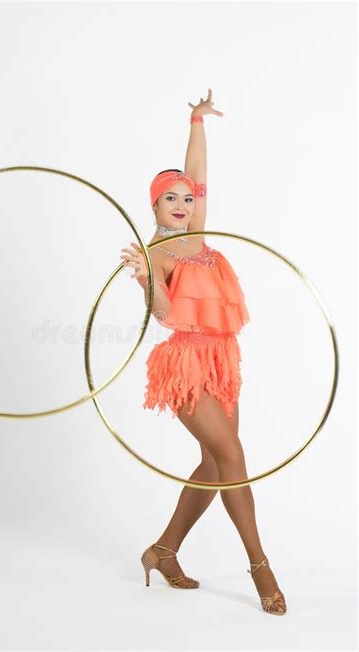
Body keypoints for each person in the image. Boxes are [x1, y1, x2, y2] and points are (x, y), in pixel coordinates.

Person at [119, 90, 287, 615]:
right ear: (154, 205)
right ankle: (261, 567)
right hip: (186, 361)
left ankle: (162, 551)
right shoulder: (160, 250)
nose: (184, 203)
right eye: (172, 198)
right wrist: (149, 280)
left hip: (221, 358)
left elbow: (197, 171)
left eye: (188, 198)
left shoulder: (199, 233)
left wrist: (195, 121)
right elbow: (166, 315)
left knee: (215, 466)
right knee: (232, 459)